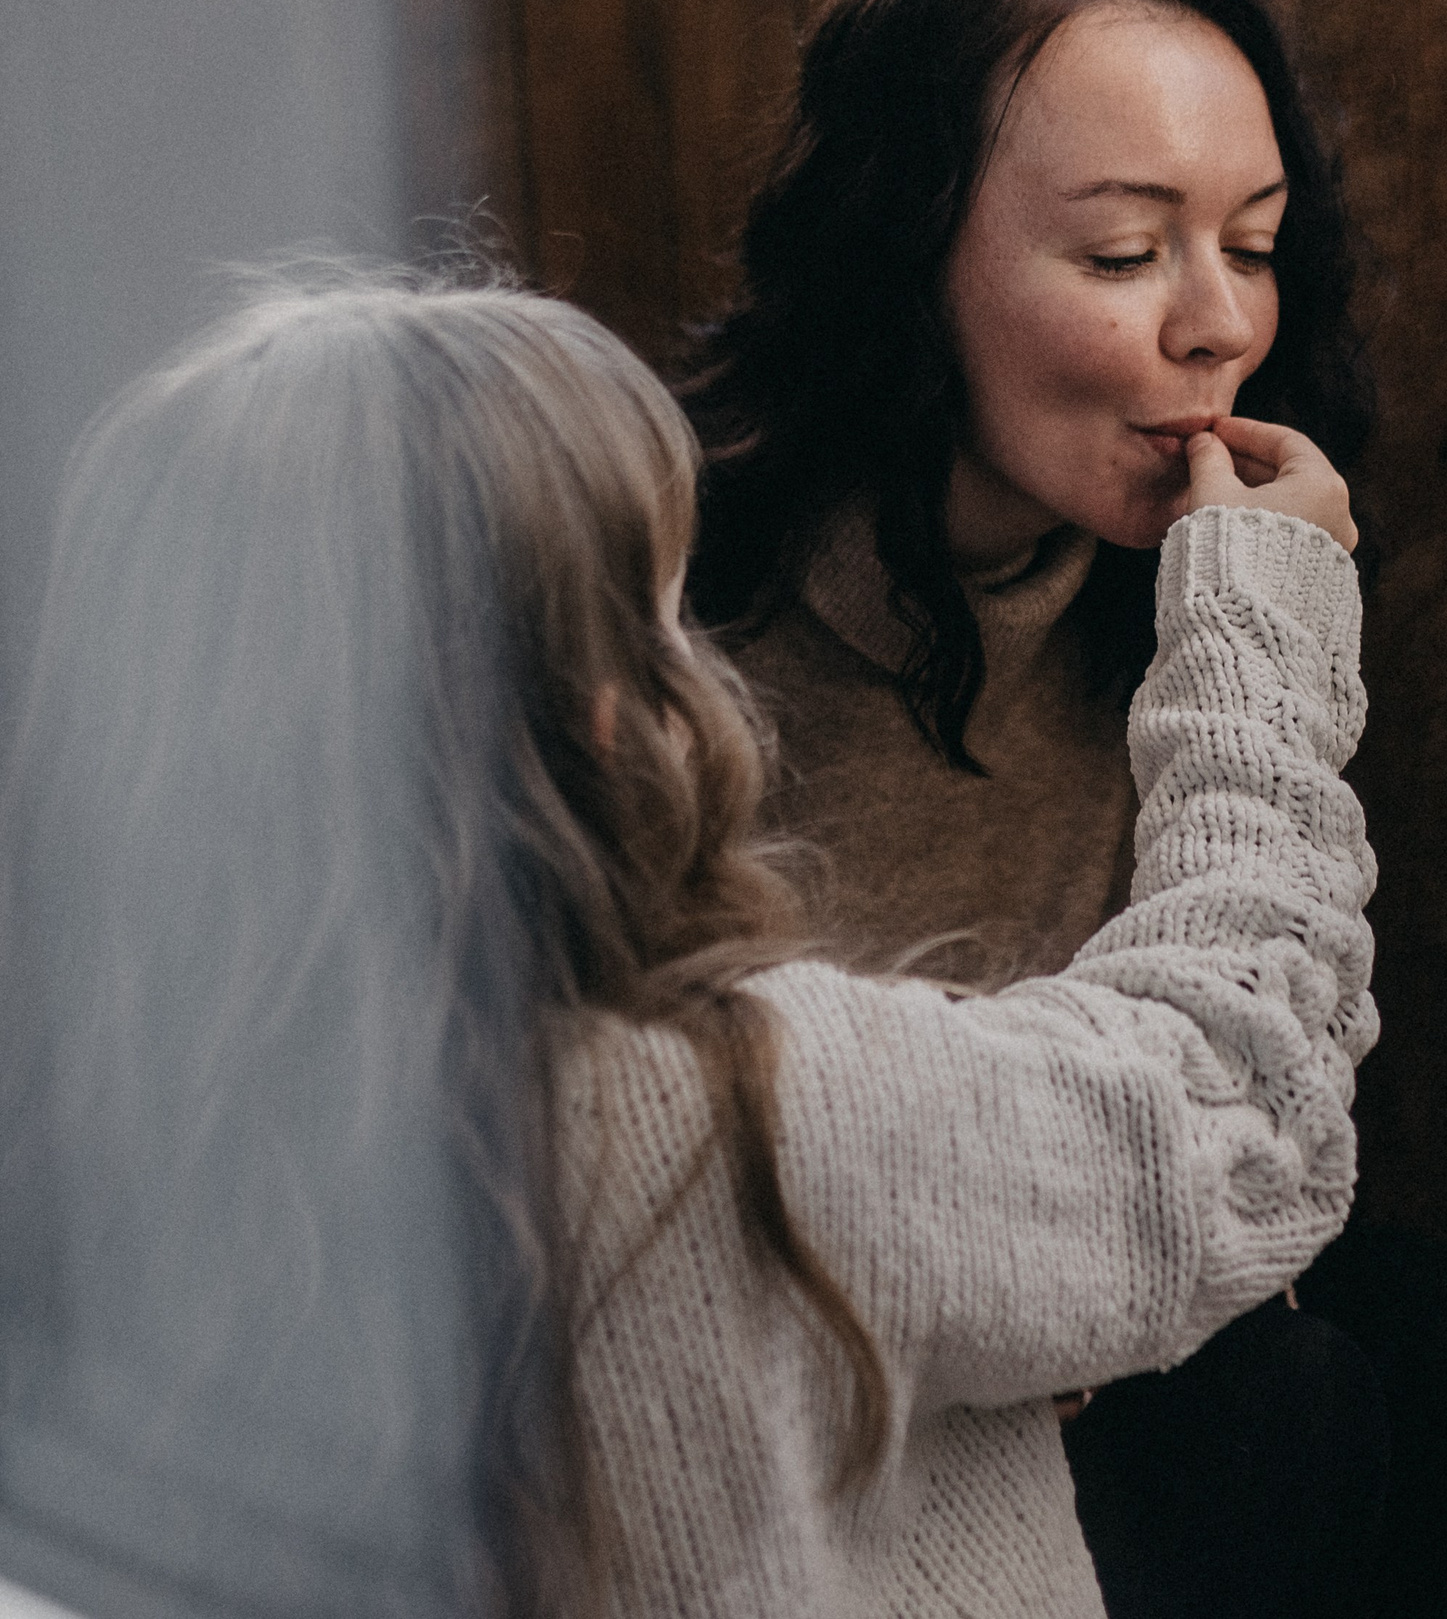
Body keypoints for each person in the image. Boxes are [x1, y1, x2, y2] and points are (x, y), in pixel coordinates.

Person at [0, 269, 1373, 1619]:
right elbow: (1236, 1098)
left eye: (1258, 242)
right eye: (657, 616)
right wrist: (1258, 609)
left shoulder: (102, 1149)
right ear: (597, 712)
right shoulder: (718, 1119)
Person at [675, 0, 1391, 1611]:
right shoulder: (665, 618)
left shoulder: (1217, 569)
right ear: (903, 254)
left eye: (1256, 242)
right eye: (1128, 253)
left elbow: (1253, 1096)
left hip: (1138, 1322)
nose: (1220, 325)